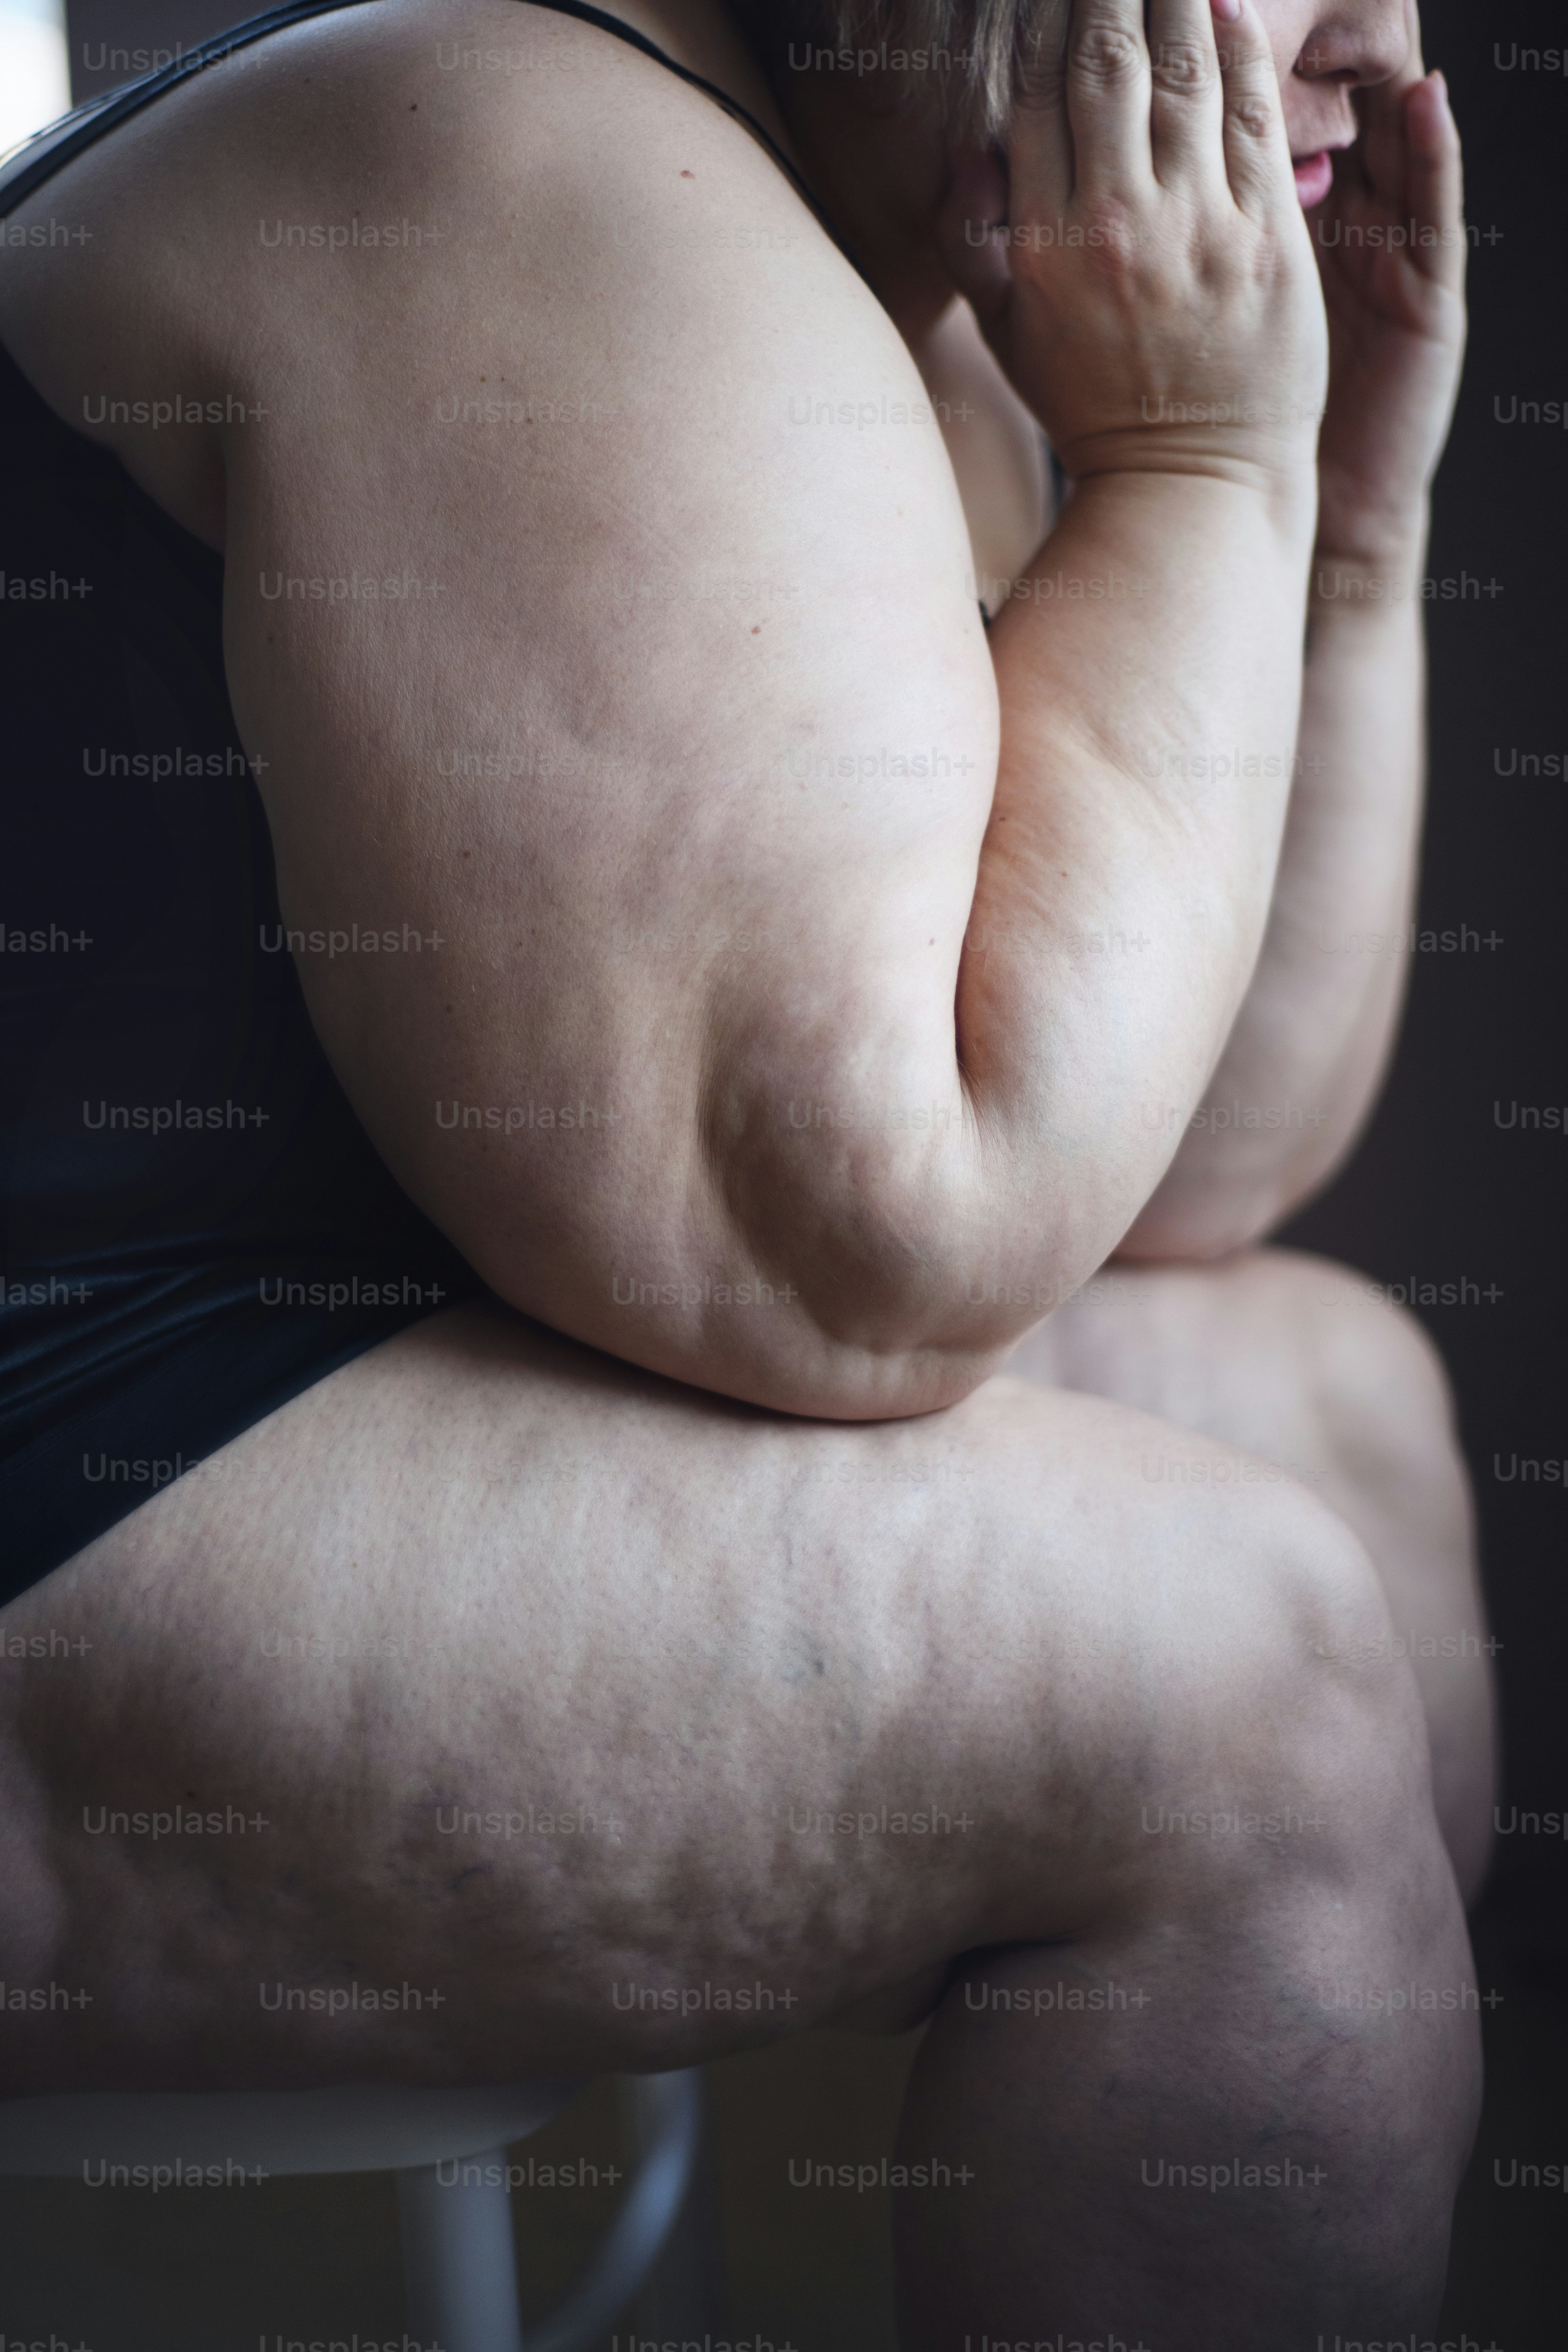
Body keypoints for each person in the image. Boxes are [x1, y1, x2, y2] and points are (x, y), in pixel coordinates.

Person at [0, 0, 1493, 2339]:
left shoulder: (900, 288)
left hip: (265, 1401)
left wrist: (1339, 531)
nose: (1380, 40)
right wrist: (1200, 472)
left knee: (1323, 1409)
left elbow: (1181, 1168)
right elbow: (882, 1252)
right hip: (53, 1462)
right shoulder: (549, 175)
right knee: (1240, 1685)